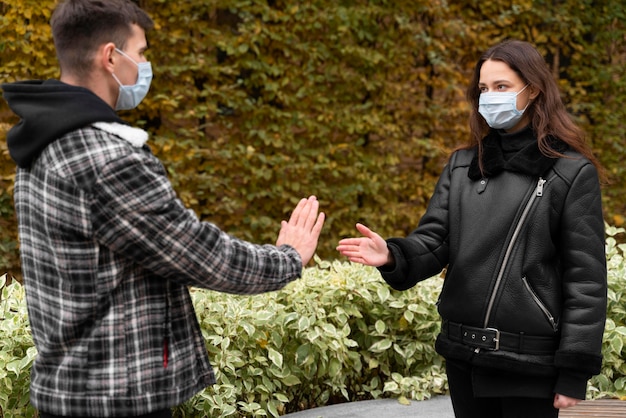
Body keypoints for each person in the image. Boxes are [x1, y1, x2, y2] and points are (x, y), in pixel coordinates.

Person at [1, 1, 325, 417]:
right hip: (116, 397)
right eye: (140, 52)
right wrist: (289, 258)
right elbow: (197, 253)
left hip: (71, 388)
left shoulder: (42, 142)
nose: (144, 65)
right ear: (110, 57)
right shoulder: (104, 158)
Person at [337, 39, 607, 418]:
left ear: (534, 89)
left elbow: (586, 281)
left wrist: (574, 371)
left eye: (502, 87)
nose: (489, 97)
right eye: (483, 88)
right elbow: (435, 241)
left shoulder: (570, 172)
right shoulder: (463, 164)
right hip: (462, 354)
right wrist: (392, 255)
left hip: (530, 362)